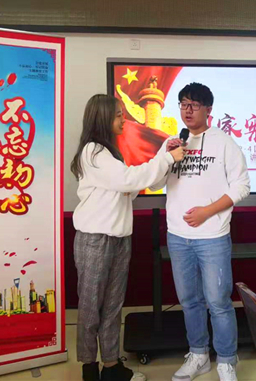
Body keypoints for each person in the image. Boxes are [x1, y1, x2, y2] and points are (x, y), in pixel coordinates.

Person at [71, 94, 185, 381]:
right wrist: (165, 158)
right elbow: (129, 180)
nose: (124, 119)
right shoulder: (93, 151)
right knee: (91, 308)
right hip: (95, 239)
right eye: (118, 114)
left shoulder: (111, 155)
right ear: (102, 118)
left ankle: (111, 366)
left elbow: (135, 186)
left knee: (112, 306)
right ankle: (89, 367)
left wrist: (164, 154)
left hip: (119, 237)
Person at [149, 83, 250, 381]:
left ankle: (227, 360)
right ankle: (198, 355)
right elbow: (154, 184)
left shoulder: (224, 143)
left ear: (208, 110)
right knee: (189, 301)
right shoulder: (172, 143)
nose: (187, 110)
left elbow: (242, 186)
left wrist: (207, 211)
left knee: (218, 301)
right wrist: (167, 158)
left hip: (212, 237)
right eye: (183, 104)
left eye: (194, 105)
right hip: (178, 236)